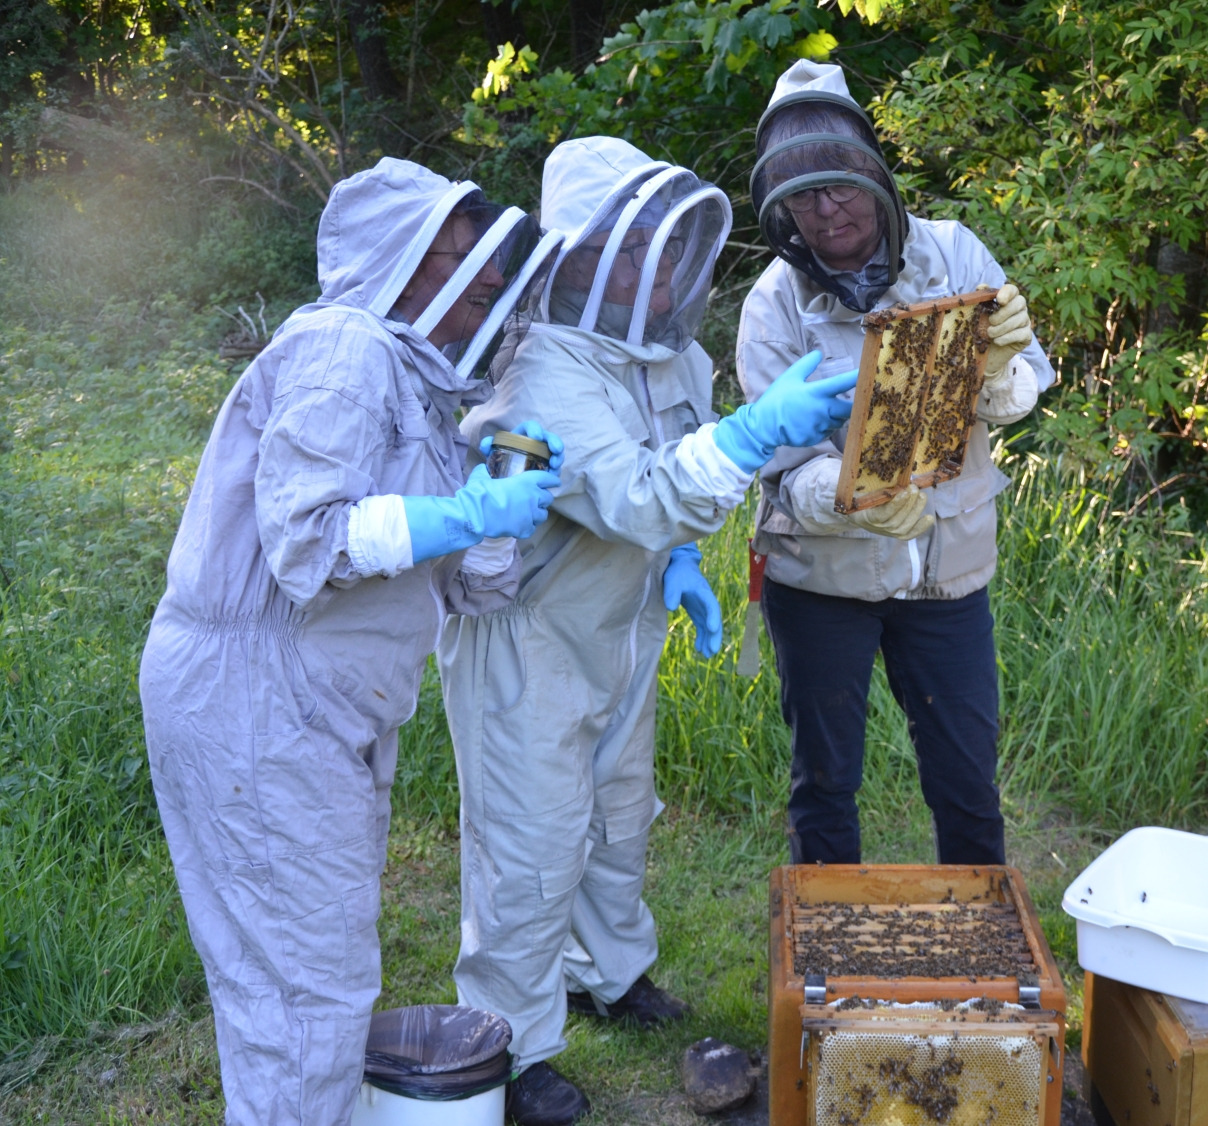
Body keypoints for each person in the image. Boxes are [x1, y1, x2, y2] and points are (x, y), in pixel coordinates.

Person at [437, 136, 856, 1125]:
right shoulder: (540, 369)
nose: (655, 269)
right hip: (527, 634)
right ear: (578, 257)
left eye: (664, 247)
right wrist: (750, 437)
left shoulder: (669, 350)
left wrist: (679, 561)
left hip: (619, 618)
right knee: (531, 841)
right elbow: (637, 492)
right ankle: (512, 1044)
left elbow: (672, 460)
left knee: (619, 810)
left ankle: (607, 972)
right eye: (629, 249)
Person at [138, 157, 565, 1125]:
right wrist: (462, 511)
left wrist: (502, 507)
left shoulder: (420, 388)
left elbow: (471, 588)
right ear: (402, 262)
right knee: (304, 992)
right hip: (255, 694)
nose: (487, 281)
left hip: (324, 705)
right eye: (462, 256)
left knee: (308, 966)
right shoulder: (344, 347)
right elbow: (310, 542)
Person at [736, 60, 1053, 866]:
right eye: (804, 198)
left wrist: (996, 368)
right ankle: (826, 937)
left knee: (966, 777)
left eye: (838, 189)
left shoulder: (953, 252)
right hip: (820, 583)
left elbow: (1022, 391)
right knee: (824, 779)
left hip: (947, 571)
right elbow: (779, 464)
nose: (826, 212)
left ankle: (980, 932)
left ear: (873, 179)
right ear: (779, 209)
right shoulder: (771, 304)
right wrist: (854, 496)